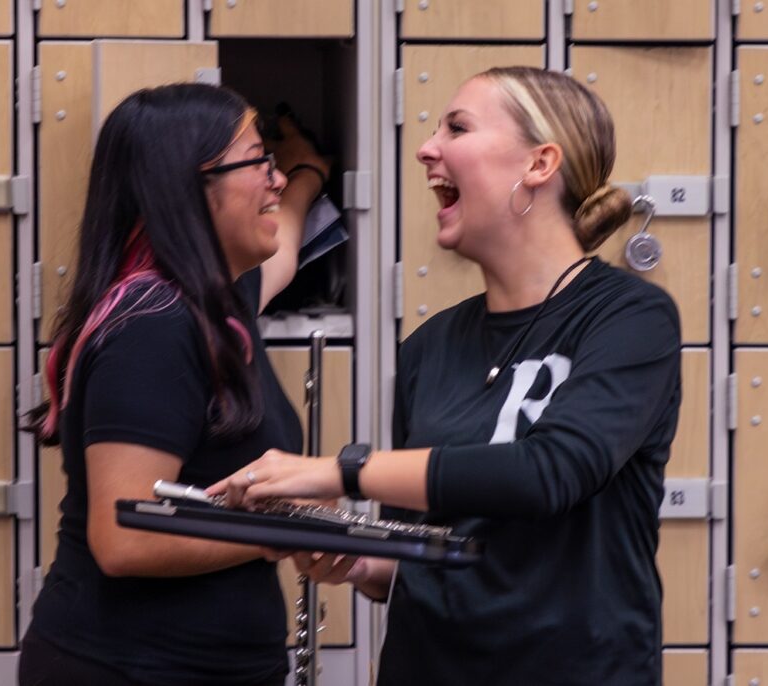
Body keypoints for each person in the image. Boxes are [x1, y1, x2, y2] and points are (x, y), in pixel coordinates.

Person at [209, 66, 682, 685]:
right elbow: (436, 548)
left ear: (540, 164)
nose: (426, 148)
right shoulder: (430, 347)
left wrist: (337, 471)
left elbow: (554, 470)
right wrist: (355, 559)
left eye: (457, 127)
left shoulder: (628, 317)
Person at [19, 83, 330, 686]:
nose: (274, 180)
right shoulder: (152, 328)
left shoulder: (218, 297)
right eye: (258, 160)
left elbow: (285, 240)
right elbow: (123, 539)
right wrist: (292, 527)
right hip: (129, 668)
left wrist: (309, 170)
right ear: (190, 188)